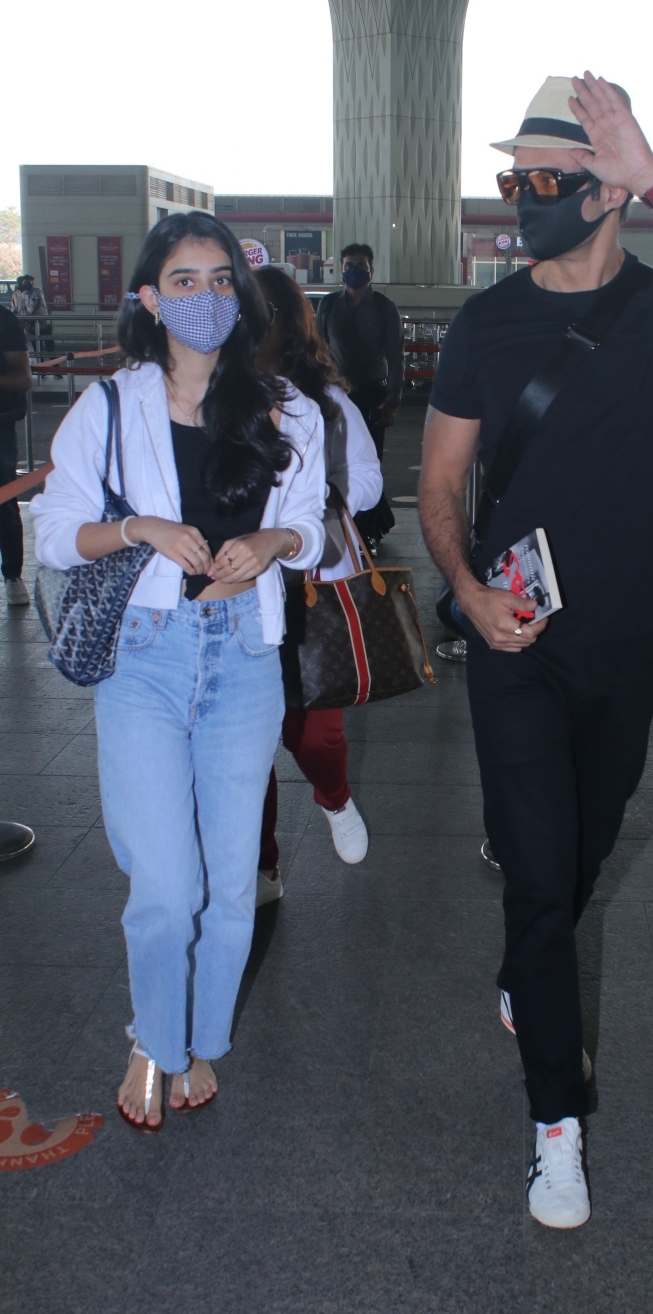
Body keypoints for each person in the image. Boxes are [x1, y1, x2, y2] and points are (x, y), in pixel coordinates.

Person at [418, 73, 653, 1230]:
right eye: (509, 180)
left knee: (577, 860)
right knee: (538, 877)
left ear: (600, 191)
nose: (518, 199)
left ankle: (530, 968)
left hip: (626, 631)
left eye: (542, 180)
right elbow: (437, 483)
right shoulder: (488, 322)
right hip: (512, 637)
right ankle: (554, 1129)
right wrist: (469, 591)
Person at [31, 212, 325, 1131]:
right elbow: (53, 532)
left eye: (221, 280)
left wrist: (271, 540)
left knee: (233, 881)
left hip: (241, 650)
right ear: (151, 298)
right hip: (146, 657)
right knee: (165, 881)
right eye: (185, 282)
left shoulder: (288, 408)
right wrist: (138, 529)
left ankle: (196, 1039)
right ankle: (154, 1039)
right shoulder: (111, 406)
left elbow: (311, 526)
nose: (205, 299)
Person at [253, 264, 383, 903]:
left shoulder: (327, 404)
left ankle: (334, 797)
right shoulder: (202, 396)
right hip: (233, 592)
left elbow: (368, 477)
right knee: (247, 742)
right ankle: (262, 865)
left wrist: (321, 497)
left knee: (314, 729)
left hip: (314, 577)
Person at [316, 243, 402, 552]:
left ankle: (366, 534)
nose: (354, 270)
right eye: (349, 264)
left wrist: (392, 399)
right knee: (336, 462)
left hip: (373, 393)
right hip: (338, 395)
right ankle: (362, 524)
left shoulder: (383, 307)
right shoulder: (327, 306)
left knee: (369, 464)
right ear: (340, 268)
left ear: (371, 269)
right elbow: (318, 350)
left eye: (361, 265)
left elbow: (396, 356)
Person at [0, 300, 31, 606]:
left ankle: (12, 575)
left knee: (5, 498)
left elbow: (23, 378)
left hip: (0, 423)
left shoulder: (4, 320)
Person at [11, 275, 52, 355]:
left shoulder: (38, 291)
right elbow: (24, 307)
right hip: (32, 324)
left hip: (43, 322)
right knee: (36, 346)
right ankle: (40, 363)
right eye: (24, 283)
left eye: (27, 282)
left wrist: (30, 316)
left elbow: (38, 304)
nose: (25, 284)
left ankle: (54, 365)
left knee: (49, 345)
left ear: (32, 283)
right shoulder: (24, 294)